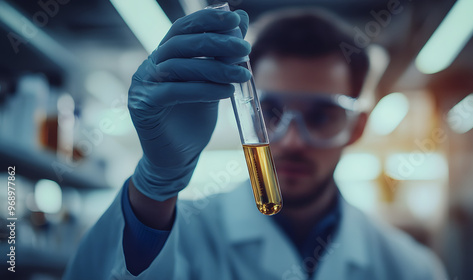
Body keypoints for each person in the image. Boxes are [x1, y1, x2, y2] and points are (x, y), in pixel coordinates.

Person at [64, 6, 447, 280]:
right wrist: (156, 183)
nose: (293, 140)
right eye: (272, 112)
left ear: (356, 127)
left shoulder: (410, 268)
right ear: (247, 109)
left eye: (321, 116)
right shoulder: (184, 235)